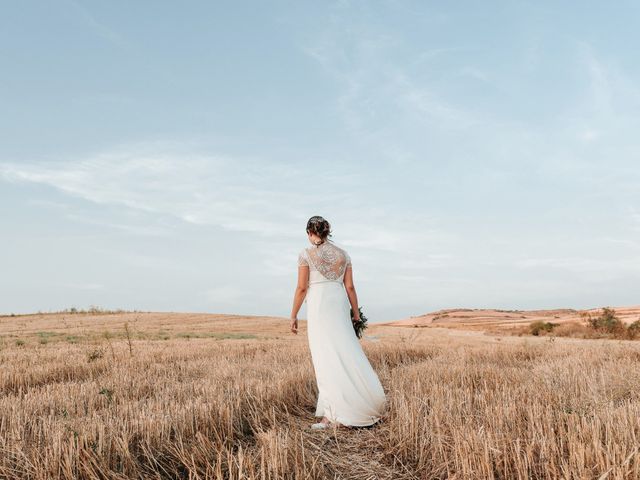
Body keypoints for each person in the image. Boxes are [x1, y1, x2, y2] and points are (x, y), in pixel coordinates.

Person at [290, 215, 387, 429]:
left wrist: (294, 314)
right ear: (327, 232)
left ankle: (333, 416)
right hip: (338, 303)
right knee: (346, 349)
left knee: (325, 356)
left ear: (309, 233)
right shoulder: (343, 255)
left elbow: (302, 288)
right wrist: (355, 313)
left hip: (319, 305)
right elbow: (350, 287)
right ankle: (346, 404)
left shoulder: (305, 254)